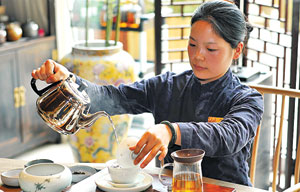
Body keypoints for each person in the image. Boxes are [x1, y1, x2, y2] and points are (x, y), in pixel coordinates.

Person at [32, 0, 263, 186]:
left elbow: (228, 136)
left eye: (211, 49)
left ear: (237, 50)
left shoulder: (248, 99)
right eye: (192, 44)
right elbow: (111, 98)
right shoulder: (167, 86)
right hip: (170, 185)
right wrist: (68, 81)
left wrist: (170, 130)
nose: (198, 56)